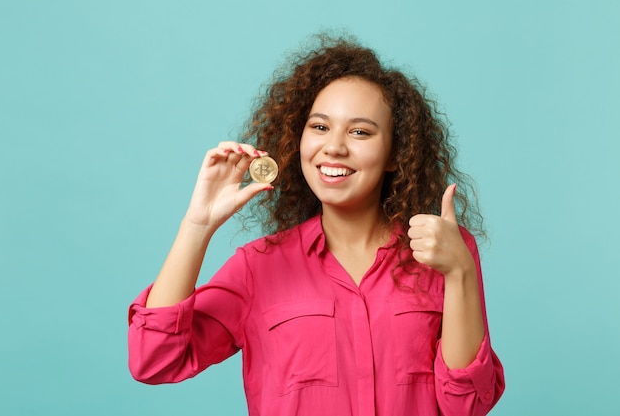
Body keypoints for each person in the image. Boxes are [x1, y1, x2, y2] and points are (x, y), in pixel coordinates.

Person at [128, 34, 505, 416]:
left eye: (360, 132)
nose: (334, 147)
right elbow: (154, 360)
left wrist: (460, 272)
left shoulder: (445, 252)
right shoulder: (258, 266)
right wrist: (197, 225)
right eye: (320, 127)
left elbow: (468, 405)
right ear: (299, 138)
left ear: (395, 153)